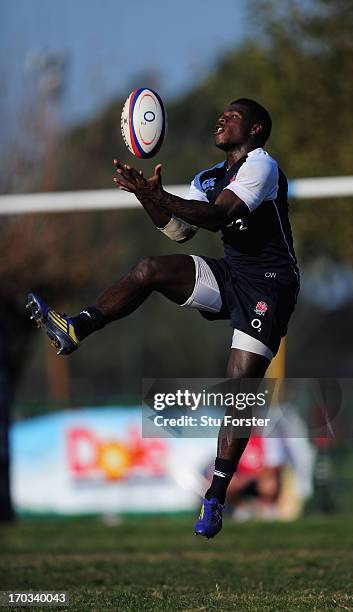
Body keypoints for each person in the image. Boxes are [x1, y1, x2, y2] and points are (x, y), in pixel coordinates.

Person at [27, 98, 300, 539]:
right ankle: (77, 326)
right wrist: (146, 197)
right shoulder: (208, 177)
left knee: (240, 387)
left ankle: (216, 495)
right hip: (233, 276)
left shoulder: (262, 166)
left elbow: (219, 215)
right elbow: (180, 229)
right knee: (149, 269)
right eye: (222, 112)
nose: (222, 117)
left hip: (270, 286)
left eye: (233, 115)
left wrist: (160, 195)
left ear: (256, 129)